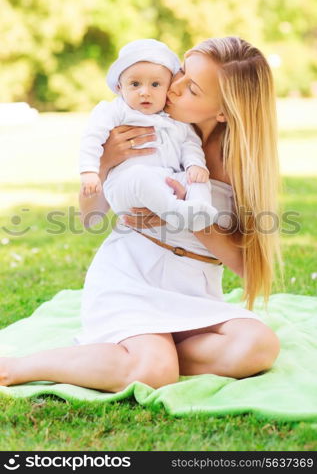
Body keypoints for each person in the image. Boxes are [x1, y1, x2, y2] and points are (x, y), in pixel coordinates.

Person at [0, 37, 281, 393]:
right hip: (130, 276)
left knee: (259, 347)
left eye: (191, 88)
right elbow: (90, 219)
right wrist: (104, 165)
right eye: (181, 72)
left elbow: (248, 266)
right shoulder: (142, 127)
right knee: (152, 371)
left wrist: (183, 217)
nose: (173, 88)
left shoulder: (239, 161)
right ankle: (14, 367)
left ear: (224, 111)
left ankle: (153, 351)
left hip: (193, 289)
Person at [80, 38, 218, 232]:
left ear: (167, 87)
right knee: (139, 176)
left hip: (166, 181)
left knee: (197, 179)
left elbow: (189, 143)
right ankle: (176, 212)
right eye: (135, 84)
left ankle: (199, 210)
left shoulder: (174, 118)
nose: (145, 92)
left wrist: (195, 165)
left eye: (155, 85)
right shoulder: (116, 111)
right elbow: (92, 138)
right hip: (125, 184)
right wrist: (89, 171)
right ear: (120, 87)